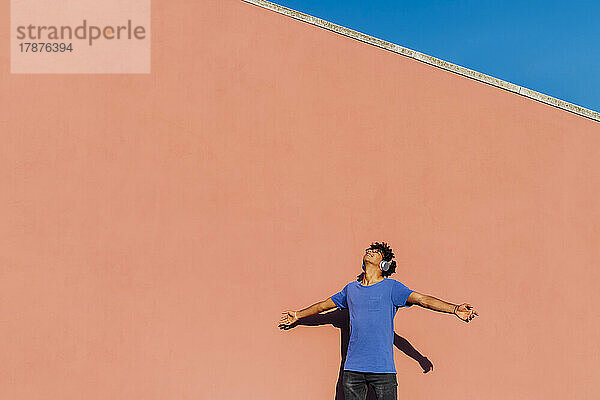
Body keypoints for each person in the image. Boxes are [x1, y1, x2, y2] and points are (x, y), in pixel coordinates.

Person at [278, 241, 479, 400]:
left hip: (383, 372)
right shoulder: (350, 289)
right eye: (369, 249)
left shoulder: (392, 288)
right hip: (352, 371)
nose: (370, 251)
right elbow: (323, 306)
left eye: (376, 251)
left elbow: (422, 299)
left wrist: (454, 309)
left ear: (384, 264)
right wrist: (298, 315)